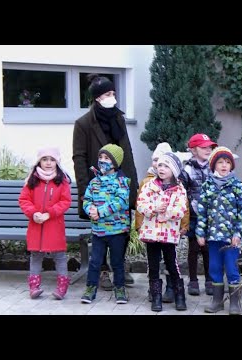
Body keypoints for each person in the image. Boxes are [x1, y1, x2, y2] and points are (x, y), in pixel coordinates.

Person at [72, 73, 138, 289]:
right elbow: (79, 157)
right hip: (98, 185)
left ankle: (119, 265)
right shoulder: (83, 124)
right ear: (97, 98)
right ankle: (100, 270)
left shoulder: (118, 118)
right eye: (108, 94)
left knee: (123, 228)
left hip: (120, 183)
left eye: (114, 93)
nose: (113, 97)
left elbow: (127, 152)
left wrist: (132, 184)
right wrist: (84, 190)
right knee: (100, 229)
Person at [135, 142, 190, 303]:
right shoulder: (149, 185)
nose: (161, 168)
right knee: (153, 266)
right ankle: (156, 295)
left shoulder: (179, 189)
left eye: (166, 165)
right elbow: (141, 205)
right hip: (151, 233)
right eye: (159, 165)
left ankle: (179, 294)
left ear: (174, 170)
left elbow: (181, 210)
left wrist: (166, 214)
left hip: (169, 234)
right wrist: (154, 208)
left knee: (172, 264)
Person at [196, 146, 242, 315]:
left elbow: (241, 213)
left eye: (227, 162)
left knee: (232, 269)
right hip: (212, 237)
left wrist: (237, 234)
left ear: (231, 165)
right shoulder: (207, 185)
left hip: (231, 239)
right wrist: (200, 233)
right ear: (213, 165)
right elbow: (202, 211)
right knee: (215, 268)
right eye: (220, 162)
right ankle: (217, 301)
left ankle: (234, 302)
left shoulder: (237, 185)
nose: (224, 165)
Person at [18, 147, 72, 300]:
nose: (48, 163)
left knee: (60, 256)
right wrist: (33, 213)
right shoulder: (32, 180)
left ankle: (62, 286)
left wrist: (49, 213)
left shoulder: (62, 181)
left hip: (54, 225)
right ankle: (34, 286)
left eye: (52, 159)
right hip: (36, 225)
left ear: (57, 162)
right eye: (44, 159)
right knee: (36, 255)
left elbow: (65, 201)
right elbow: (24, 200)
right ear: (39, 161)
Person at [80, 144, 131, 304]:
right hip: (98, 231)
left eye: (107, 158)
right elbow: (86, 199)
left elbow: (120, 202)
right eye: (100, 158)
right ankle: (90, 288)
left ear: (115, 162)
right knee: (95, 261)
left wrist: (100, 211)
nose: (102, 161)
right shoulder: (94, 182)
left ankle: (120, 288)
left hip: (117, 231)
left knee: (117, 262)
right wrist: (90, 210)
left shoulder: (122, 181)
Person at [179, 133, 217, 296]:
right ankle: (193, 280)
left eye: (209, 147)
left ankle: (209, 279)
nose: (208, 150)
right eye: (203, 147)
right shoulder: (187, 169)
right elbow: (182, 191)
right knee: (194, 247)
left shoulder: (213, 167)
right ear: (194, 150)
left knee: (208, 248)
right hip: (194, 215)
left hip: (211, 214)